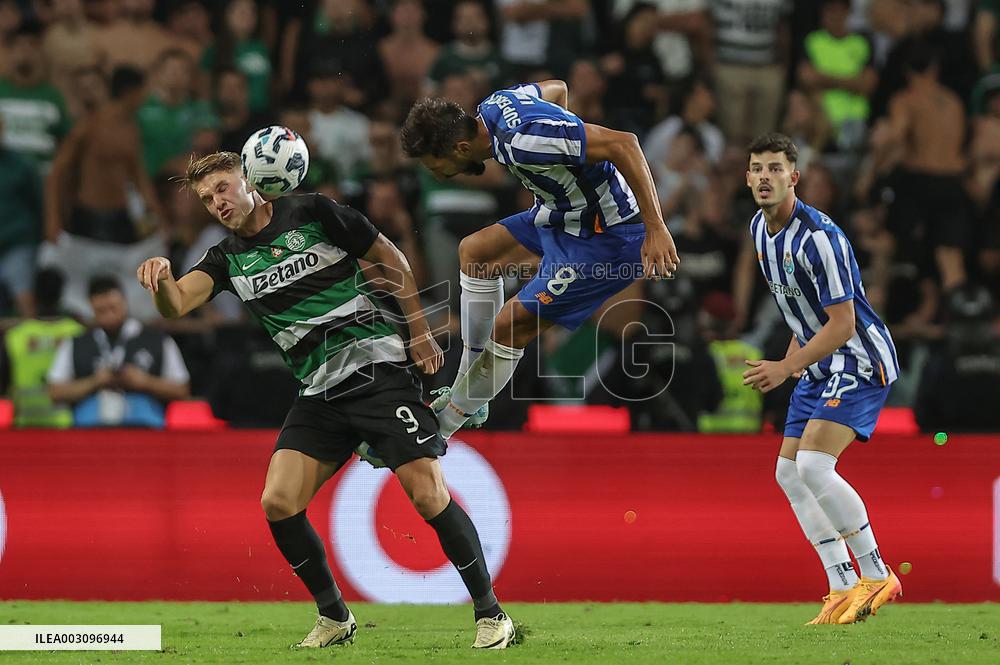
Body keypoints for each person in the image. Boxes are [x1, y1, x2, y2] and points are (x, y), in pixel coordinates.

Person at [134, 151, 515, 649]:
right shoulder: (225, 258)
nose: (218, 202)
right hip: (319, 392)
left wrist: (419, 333)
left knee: (427, 494)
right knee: (278, 502)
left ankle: (491, 614)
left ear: (249, 179)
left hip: (377, 370)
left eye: (223, 188)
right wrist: (162, 279)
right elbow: (178, 303)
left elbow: (388, 257)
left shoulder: (312, 212)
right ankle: (335, 618)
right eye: (207, 199)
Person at [399, 79, 679, 437]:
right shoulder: (495, 105)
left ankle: (444, 427)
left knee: (510, 324)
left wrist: (656, 227)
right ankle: (472, 392)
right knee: (475, 252)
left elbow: (625, 143)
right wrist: (569, 155)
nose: (435, 174)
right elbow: (558, 89)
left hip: (607, 236)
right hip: (561, 214)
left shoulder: (528, 141)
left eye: (435, 164)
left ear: (462, 146)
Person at [742, 133, 902, 625]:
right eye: (756, 168)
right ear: (747, 178)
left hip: (858, 361)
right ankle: (840, 583)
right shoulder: (758, 229)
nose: (764, 177)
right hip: (817, 363)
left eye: (775, 168)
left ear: (795, 176)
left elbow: (843, 322)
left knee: (813, 465)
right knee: (788, 473)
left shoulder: (820, 238)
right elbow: (802, 315)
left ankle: (877, 574)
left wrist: (784, 367)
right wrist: (792, 363)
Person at [47, 275, 190, 427]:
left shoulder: (158, 341)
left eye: (113, 308)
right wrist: (94, 382)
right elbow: (55, 392)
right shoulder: (76, 343)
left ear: (125, 302)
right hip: (90, 432)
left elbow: (182, 390)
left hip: (146, 430)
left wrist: (145, 382)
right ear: (92, 308)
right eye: (101, 311)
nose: (109, 315)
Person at [0, 268, 84, 427]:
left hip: (25, 423)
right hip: (68, 425)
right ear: (61, 293)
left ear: (34, 295)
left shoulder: (16, 335)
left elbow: (3, 385)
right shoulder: (76, 332)